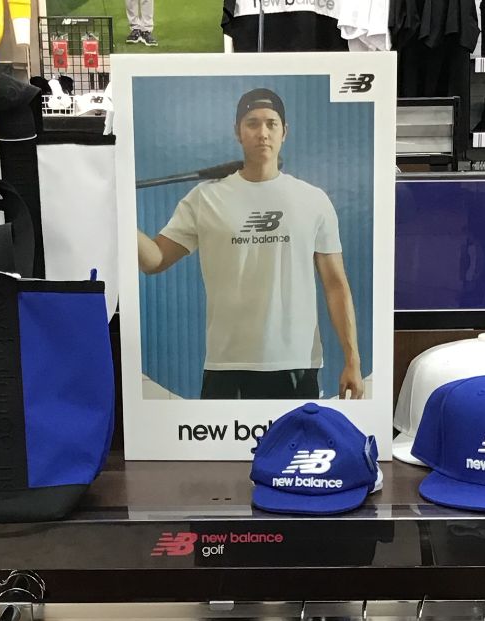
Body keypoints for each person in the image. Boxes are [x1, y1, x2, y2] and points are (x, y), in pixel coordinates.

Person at [137, 87, 365, 401]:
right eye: (252, 123)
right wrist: (119, 213)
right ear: (238, 132)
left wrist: (352, 359)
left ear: (284, 132)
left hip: (296, 363)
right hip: (227, 365)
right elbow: (155, 259)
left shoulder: (313, 200)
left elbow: (336, 285)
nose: (262, 133)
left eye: (271, 123)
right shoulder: (206, 198)